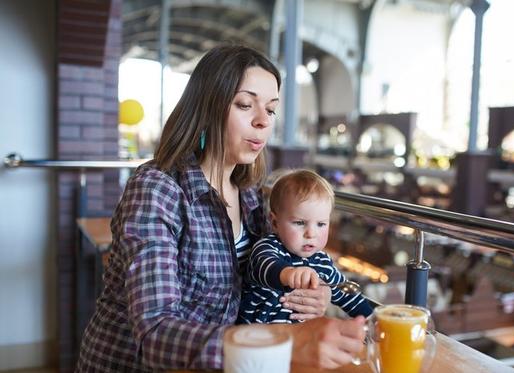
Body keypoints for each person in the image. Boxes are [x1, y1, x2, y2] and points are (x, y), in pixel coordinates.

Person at [76, 44, 365, 372]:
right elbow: (155, 332)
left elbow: (267, 274)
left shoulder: (252, 196)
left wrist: (313, 295)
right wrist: (287, 343)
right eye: (245, 104)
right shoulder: (157, 188)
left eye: (270, 110)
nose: (262, 122)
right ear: (208, 107)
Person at [238, 169, 374, 324]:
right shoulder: (268, 247)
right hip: (256, 339)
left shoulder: (324, 264)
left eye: (321, 224)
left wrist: (373, 319)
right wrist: (288, 273)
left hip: (299, 341)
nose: (311, 234)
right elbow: (264, 266)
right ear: (275, 223)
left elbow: (350, 297)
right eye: (300, 223)